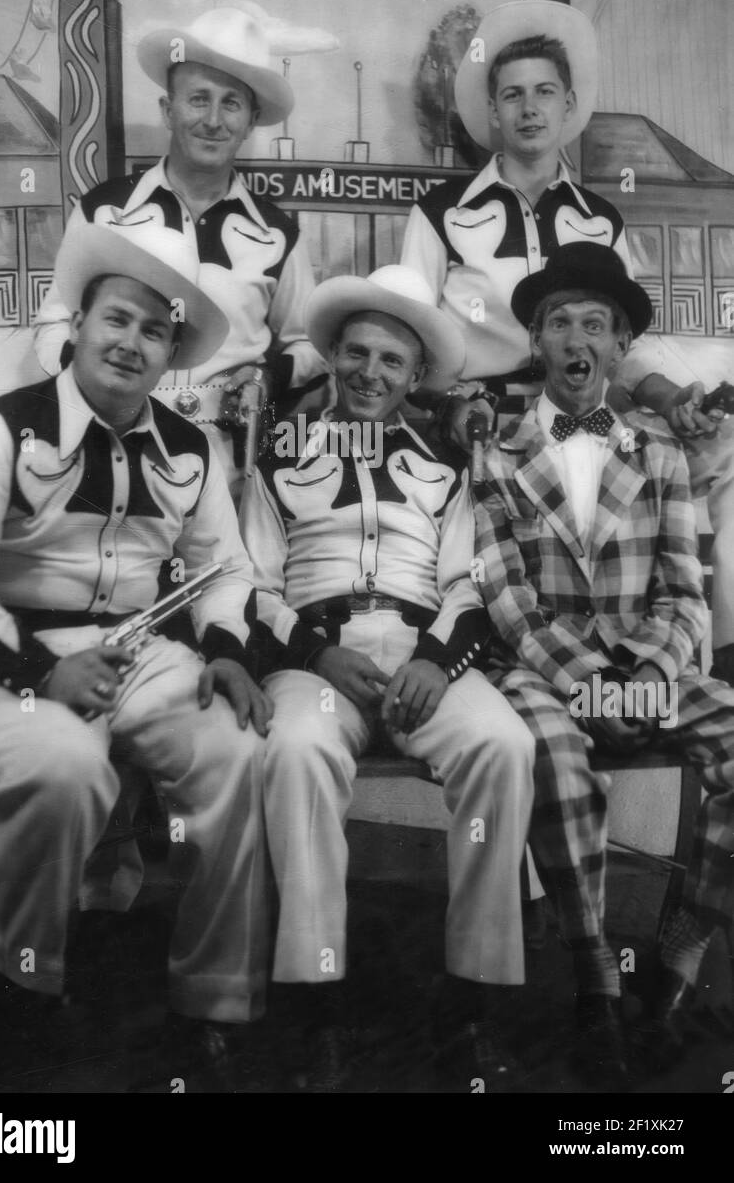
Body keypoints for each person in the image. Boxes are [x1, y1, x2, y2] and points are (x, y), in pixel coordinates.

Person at [0, 219, 272, 1085]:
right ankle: (19, 984)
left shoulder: (192, 446)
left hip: (139, 649)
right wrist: (43, 673)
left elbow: (225, 569)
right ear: (78, 324)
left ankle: (212, 997)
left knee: (234, 752)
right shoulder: (2, 427)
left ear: (171, 354)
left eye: (155, 331)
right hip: (0, 649)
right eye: (116, 318)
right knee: (63, 767)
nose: (131, 342)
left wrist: (226, 648)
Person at [240, 264, 535, 1091]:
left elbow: (469, 582)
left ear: (415, 377)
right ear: (333, 356)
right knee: (297, 750)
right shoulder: (277, 457)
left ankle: (472, 1000)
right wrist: (315, 654)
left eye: (392, 361)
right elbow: (251, 585)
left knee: (504, 745)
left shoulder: (446, 465)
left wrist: (437, 662)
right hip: (317, 656)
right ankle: (319, 1005)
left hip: (421, 653)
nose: (370, 373)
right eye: (357, 353)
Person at [400, 0, 734, 682]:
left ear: (569, 105)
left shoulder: (600, 220)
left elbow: (626, 344)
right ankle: (539, 679)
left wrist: (671, 400)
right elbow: (407, 343)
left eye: (545, 92)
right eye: (512, 95)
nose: (530, 109)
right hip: (482, 426)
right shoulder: (442, 215)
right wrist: (453, 403)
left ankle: (697, 663)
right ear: (492, 111)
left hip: (588, 416)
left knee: (715, 460)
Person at [472, 242, 734, 1088]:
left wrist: (648, 678)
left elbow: (685, 590)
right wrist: (587, 682)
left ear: (621, 348)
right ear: (537, 343)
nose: (576, 338)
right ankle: (595, 977)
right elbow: (506, 596)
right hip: (545, 666)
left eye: (596, 324)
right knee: (553, 752)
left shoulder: (659, 449)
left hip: (649, 663)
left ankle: (681, 952)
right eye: (559, 322)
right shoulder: (498, 450)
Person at [33, 6, 327, 499]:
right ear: (168, 109)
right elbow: (53, 326)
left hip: (228, 469)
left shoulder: (277, 233)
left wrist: (266, 377)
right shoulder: (104, 211)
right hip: (108, 452)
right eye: (198, 99)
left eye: (231, 104)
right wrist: (101, 384)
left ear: (251, 121)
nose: (213, 120)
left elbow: (311, 346)